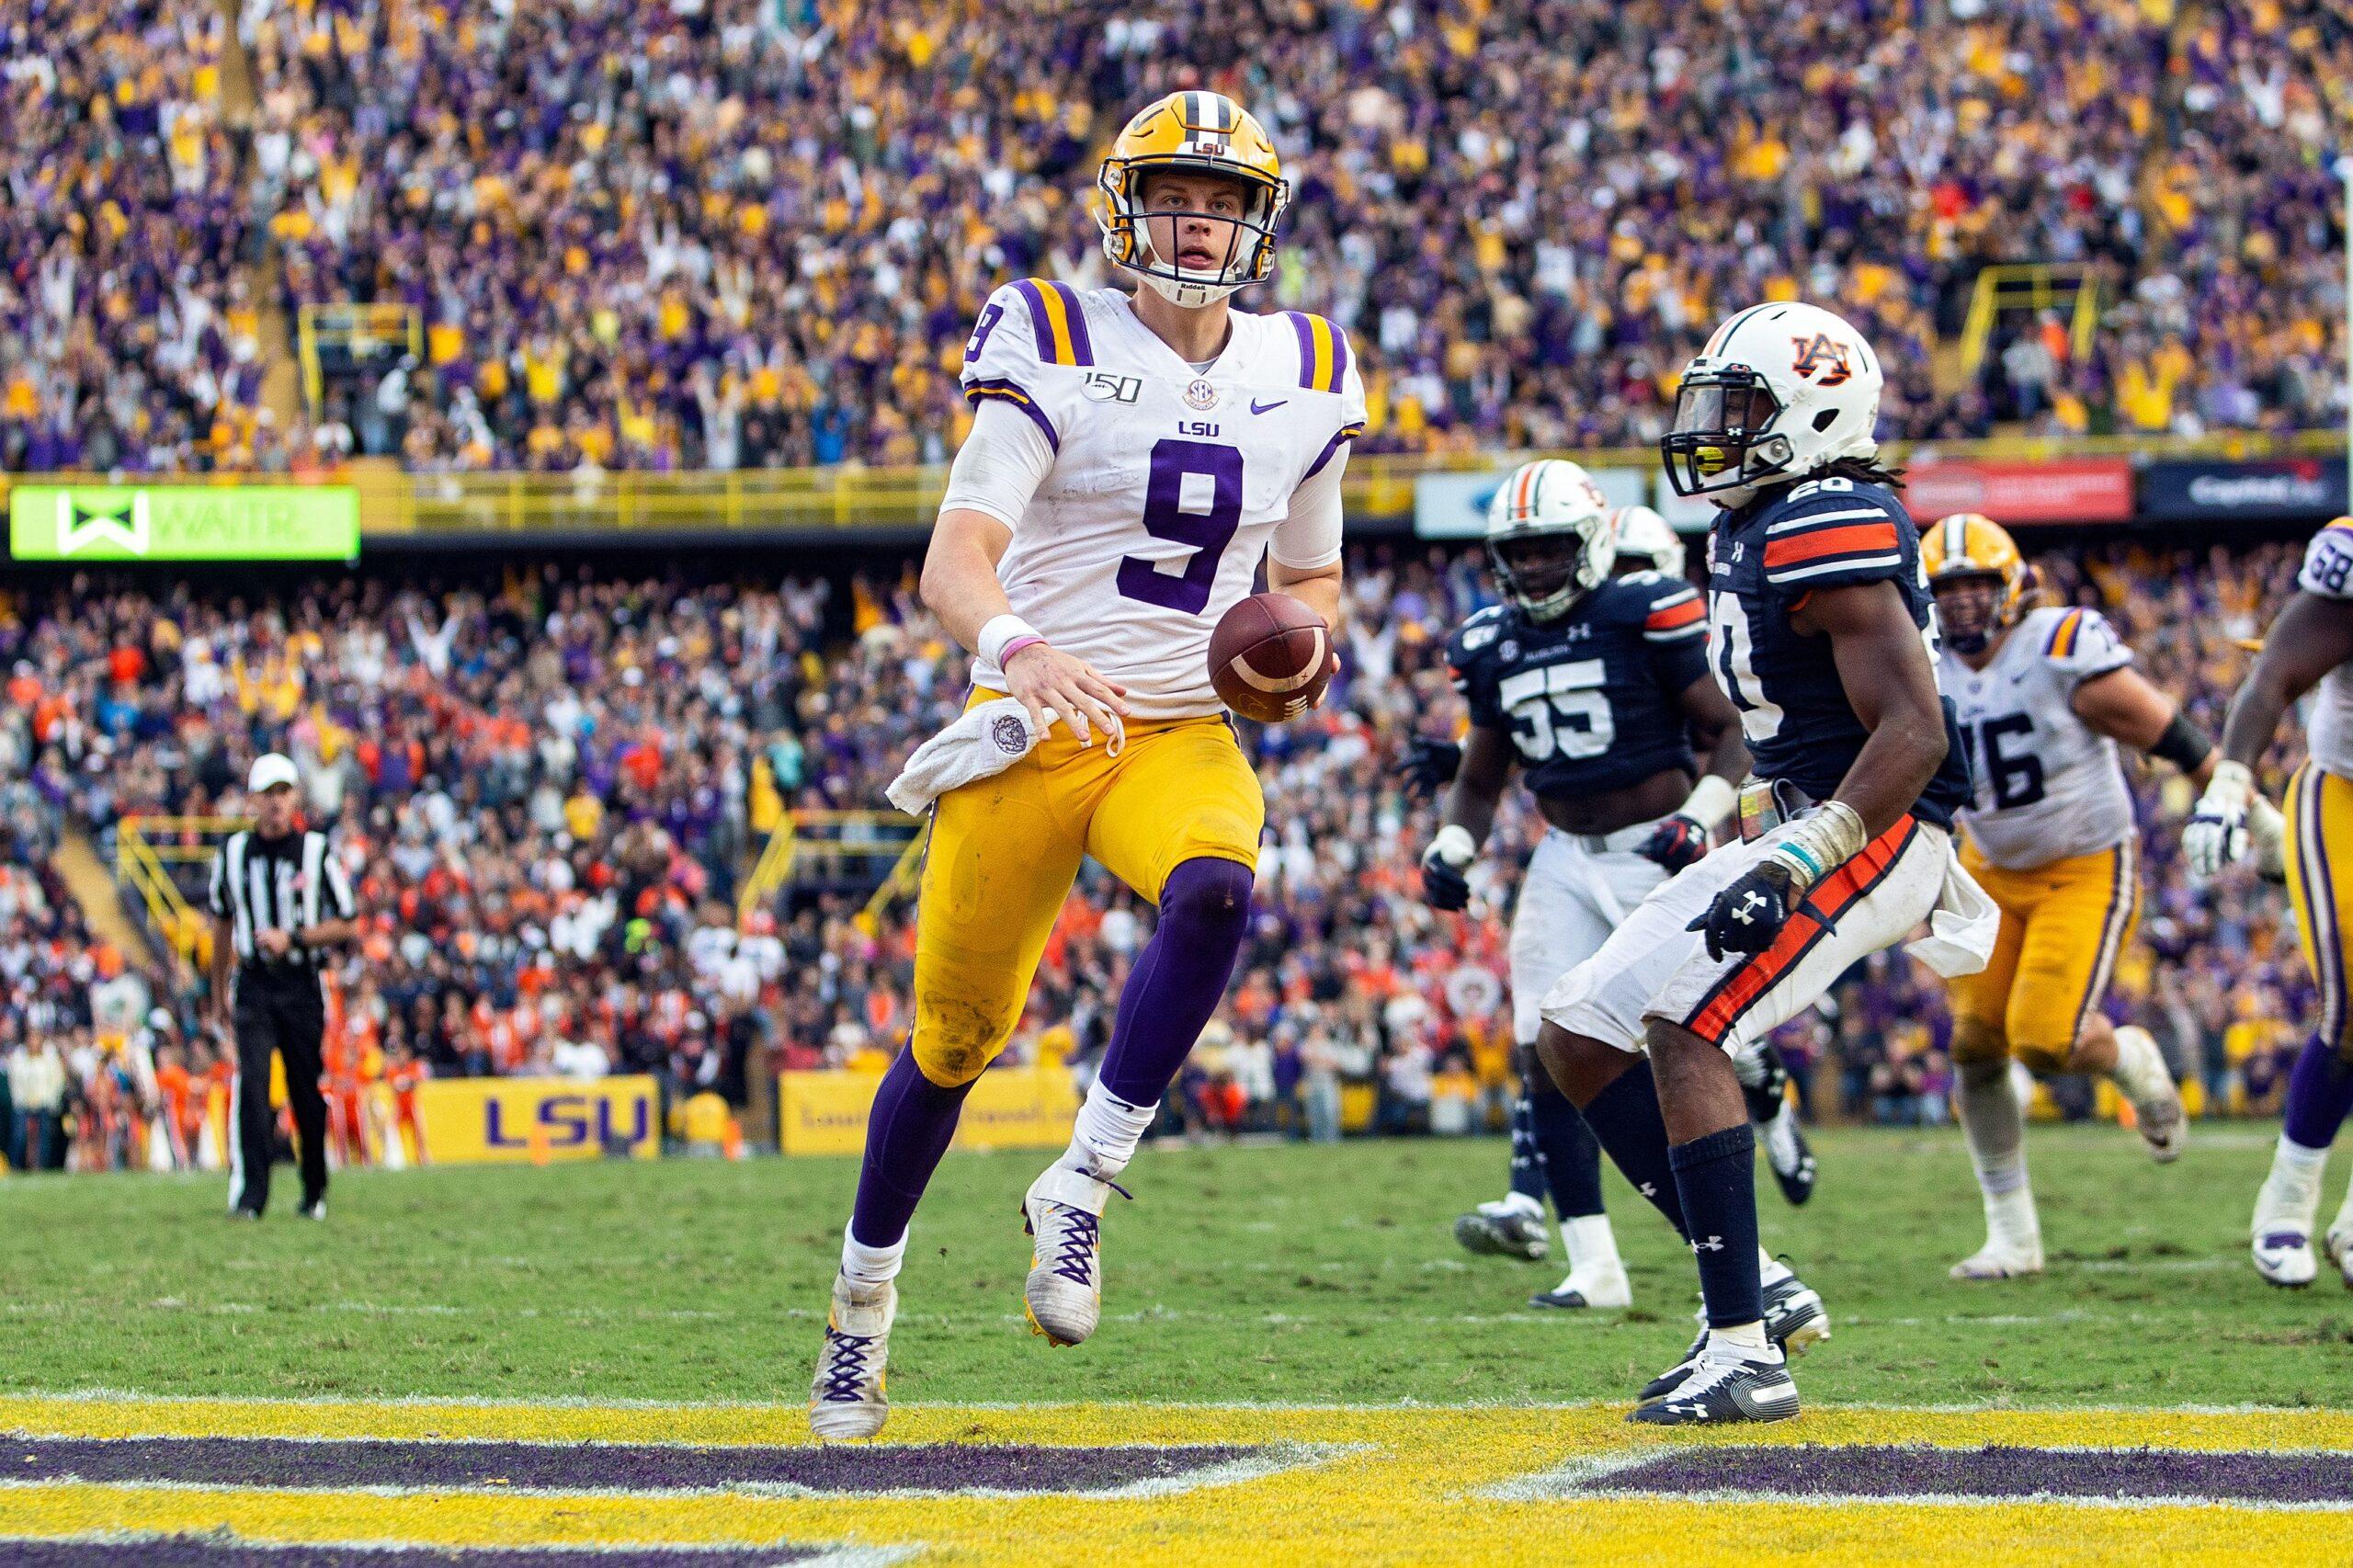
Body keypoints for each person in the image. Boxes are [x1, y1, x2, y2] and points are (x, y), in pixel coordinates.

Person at [810, 90, 1363, 1438]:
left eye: (1225, 202)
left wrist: (1302, 656)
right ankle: (860, 1308)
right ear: (1125, 210)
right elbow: (955, 560)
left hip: (1176, 728)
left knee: (1218, 884)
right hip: (1033, 730)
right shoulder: (1051, 332)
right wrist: (1019, 648)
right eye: (1177, 196)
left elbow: (1312, 579)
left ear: (1260, 224)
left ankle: (1082, 1180)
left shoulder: (1309, 362)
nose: (1200, 221)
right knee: (952, 1043)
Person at [1529, 301, 1984, 1425]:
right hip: (1791, 816)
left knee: (1690, 1023)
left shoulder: (1828, 516)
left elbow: (1913, 730)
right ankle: (1759, 1284)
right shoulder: (1756, 521)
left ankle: (1742, 1351)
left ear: (1813, 414)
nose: (1711, 431)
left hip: (1873, 823)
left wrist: (1797, 855)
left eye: (1737, 409)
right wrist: (1753, 823)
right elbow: (1790, 717)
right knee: (1576, 1027)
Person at [1404, 459, 1745, 1312]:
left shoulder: (1642, 611)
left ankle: (1736, 1233)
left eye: (1550, 548)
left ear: (1589, 543)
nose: (1533, 567)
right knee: (1541, 1050)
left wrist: (1700, 817)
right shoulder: (1491, 642)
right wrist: (1452, 845)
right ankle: (1593, 1265)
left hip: (1657, 850)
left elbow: (1729, 730)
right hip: (1563, 854)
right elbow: (1481, 776)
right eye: (1518, 552)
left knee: (1686, 1042)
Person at [1923, 513, 2206, 1280]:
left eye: (1977, 584)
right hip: (1988, 866)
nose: (1962, 602)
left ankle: (2131, 1056)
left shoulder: (2058, 642)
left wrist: (2224, 781)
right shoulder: (1921, 661)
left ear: (2014, 586)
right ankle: (2012, 1236)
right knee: (1974, 1044)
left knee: (2045, 1040)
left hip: (2084, 862)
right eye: (1947, 588)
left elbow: (2161, 728)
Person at [2185, 517, 2344, 1287]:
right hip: (2346, 795)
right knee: (2352, 1012)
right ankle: (2287, 1201)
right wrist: (2230, 780)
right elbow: (2275, 674)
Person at [207, 753, 360, 1220]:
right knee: (252, 1087)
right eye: (267, 794)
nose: (275, 803)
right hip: (253, 983)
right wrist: (217, 993)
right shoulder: (234, 853)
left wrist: (293, 938)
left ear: (295, 797)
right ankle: (250, 1196)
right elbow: (221, 924)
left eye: (283, 792)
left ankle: (314, 1187)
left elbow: (348, 922)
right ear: (253, 800)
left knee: (304, 1088)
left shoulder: (315, 850)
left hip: (300, 983)